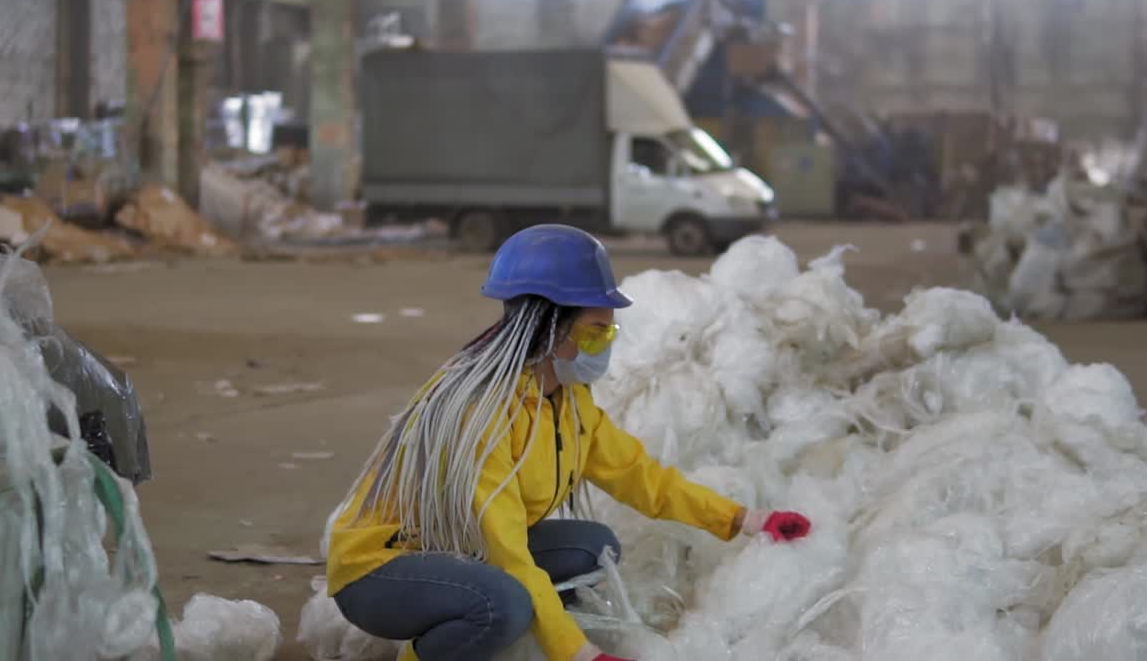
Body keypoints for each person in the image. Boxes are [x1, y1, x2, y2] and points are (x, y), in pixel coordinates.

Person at [326, 225, 812, 661]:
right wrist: (579, 655)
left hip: (454, 548)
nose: (608, 342)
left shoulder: (567, 401)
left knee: (593, 547)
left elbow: (643, 479)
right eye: (597, 331)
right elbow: (507, 553)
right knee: (503, 604)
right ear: (549, 327)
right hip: (383, 568)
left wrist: (746, 521)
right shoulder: (481, 414)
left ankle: (471, 630)